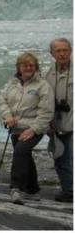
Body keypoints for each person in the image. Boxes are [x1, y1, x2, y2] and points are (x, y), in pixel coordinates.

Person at [0, 52, 54, 205]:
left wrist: (33, 130)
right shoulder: (12, 83)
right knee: (25, 155)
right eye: (25, 65)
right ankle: (33, 190)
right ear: (19, 67)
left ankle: (16, 187)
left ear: (36, 67)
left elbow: (46, 112)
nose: (29, 68)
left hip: (33, 127)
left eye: (32, 65)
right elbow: (3, 100)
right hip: (15, 126)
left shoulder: (43, 86)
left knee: (21, 151)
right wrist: (7, 116)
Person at [45, 38, 73, 203]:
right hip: (57, 122)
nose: (62, 54)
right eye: (58, 51)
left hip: (71, 120)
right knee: (61, 157)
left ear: (71, 51)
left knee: (65, 157)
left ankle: (69, 190)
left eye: (65, 50)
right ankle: (68, 190)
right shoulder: (48, 73)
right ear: (52, 54)